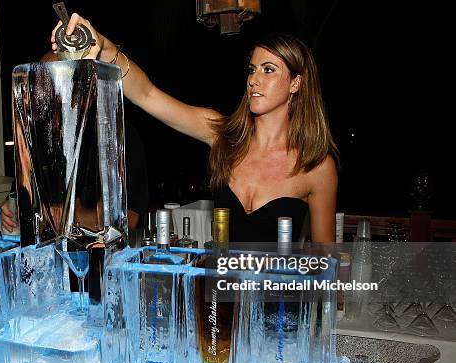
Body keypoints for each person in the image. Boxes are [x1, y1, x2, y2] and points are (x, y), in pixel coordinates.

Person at [49, 14, 338, 243]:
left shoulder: (316, 167)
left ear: (296, 83)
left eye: (268, 70)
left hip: (277, 307)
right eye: (252, 69)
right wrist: (106, 48)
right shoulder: (222, 134)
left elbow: (326, 261)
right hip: (219, 303)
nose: (254, 80)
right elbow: (148, 95)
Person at [1, 50, 148, 234]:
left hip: (97, 254)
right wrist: (10, 208)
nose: (43, 90)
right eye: (39, 81)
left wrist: (67, 215)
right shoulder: (38, 136)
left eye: (53, 80)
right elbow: (23, 195)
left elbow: (129, 218)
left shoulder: (117, 132)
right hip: (45, 251)